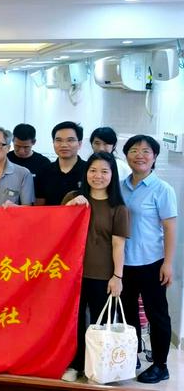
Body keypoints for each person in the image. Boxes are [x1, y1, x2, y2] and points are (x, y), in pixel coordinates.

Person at [60, 152, 129, 382]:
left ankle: (98, 366)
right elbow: (56, 226)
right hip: (74, 274)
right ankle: (75, 365)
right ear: (86, 172)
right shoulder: (73, 196)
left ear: (112, 175)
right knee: (74, 323)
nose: (98, 176)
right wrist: (71, 205)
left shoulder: (118, 207)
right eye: (93, 170)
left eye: (104, 171)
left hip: (102, 275)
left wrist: (117, 276)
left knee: (100, 325)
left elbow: (118, 244)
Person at [119, 135, 177, 384]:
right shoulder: (119, 186)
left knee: (157, 314)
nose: (139, 155)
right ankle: (132, 355)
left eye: (145, 151)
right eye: (133, 150)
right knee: (127, 312)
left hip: (152, 261)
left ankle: (161, 364)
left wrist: (168, 262)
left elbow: (171, 227)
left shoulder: (162, 189)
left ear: (154, 157)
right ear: (126, 155)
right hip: (123, 262)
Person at [35, 121, 86, 206]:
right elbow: (39, 207)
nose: (64, 145)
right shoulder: (44, 171)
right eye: (58, 140)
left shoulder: (89, 170)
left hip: (81, 219)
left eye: (70, 140)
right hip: (51, 219)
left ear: (79, 144)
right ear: (53, 143)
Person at [7, 123, 51, 188]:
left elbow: (45, 191)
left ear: (34, 142)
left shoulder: (43, 163)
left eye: (26, 147)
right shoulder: (5, 159)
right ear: (13, 140)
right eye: (17, 146)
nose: (21, 151)